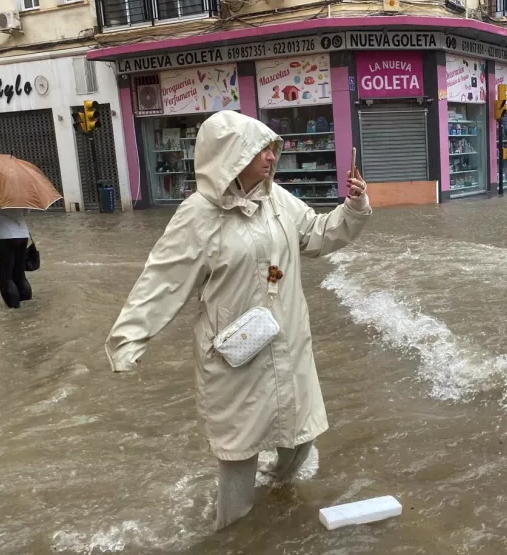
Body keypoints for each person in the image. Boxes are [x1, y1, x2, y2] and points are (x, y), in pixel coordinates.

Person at [104, 111, 371, 531]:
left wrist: (353, 208)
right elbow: (162, 279)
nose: (270, 157)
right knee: (239, 453)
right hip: (235, 355)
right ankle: (232, 534)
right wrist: (129, 339)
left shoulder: (277, 201)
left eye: (271, 149)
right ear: (231, 156)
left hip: (288, 343)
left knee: (300, 437)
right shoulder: (199, 215)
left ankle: (275, 493)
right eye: (260, 150)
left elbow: (316, 234)